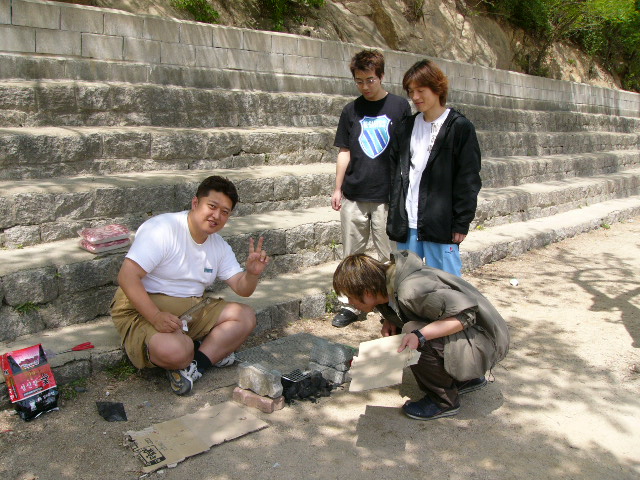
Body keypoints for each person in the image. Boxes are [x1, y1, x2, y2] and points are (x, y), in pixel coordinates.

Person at [111, 175, 270, 395]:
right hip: (142, 308)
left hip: (191, 308)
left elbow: (242, 288)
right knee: (177, 351)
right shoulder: (163, 228)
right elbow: (127, 277)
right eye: (212, 206)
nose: (217, 216)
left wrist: (251, 274)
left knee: (245, 316)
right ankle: (200, 351)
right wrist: (155, 316)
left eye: (225, 212)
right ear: (196, 203)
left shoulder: (219, 246)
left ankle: (195, 365)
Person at [333, 251, 509, 420]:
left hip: (486, 340)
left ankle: (443, 401)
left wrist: (420, 336)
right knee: (410, 332)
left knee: (413, 333)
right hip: (475, 337)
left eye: (350, 297)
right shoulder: (385, 282)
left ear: (368, 292)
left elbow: (466, 315)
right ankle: (467, 380)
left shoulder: (411, 290)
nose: (350, 303)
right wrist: (389, 319)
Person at [331, 49, 412, 327]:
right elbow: (344, 151)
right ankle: (349, 304)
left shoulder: (400, 107)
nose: (365, 86)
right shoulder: (350, 110)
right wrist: (337, 188)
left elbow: (406, 151)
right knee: (351, 255)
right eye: (359, 81)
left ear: (381, 76)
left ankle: (393, 304)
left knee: (390, 256)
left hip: (387, 195)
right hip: (354, 193)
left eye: (370, 80)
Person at [387, 59, 482, 276]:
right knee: (407, 284)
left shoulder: (459, 127)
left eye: (421, 90)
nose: (415, 97)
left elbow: (468, 178)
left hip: (441, 224)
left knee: (446, 285)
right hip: (407, 224)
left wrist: (461, 222)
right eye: (411, 91)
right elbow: (396, 174)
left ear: (437, 89)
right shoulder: (406, 128)